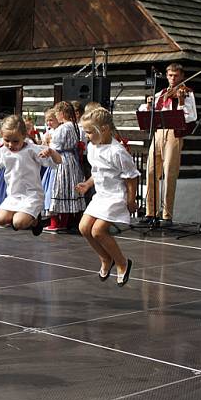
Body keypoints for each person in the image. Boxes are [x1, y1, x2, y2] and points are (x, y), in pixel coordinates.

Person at [76, 108, 136, 286]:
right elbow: (99, 172)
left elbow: (132, 177)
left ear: (104, 129)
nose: (86, 136)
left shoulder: (117, 151)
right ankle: (105, 258)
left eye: (89, 131)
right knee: (84, 228)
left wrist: (131, 200)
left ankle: (122, 262)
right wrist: (87, 184)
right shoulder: (93, 147)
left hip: (115, 196)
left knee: (98, 231)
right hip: (101, 195)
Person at [0, 115, 62, 235]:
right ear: (1, 136)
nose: (10, 145)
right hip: (14, 194)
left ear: (24, 136)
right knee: (0, 220)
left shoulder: (32, 150)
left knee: (18, 223)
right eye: (7, 140)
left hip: (32, 195)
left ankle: (35, 220)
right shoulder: (1, 151)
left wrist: (51, 152)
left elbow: (58, 161)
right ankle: (21, 215)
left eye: (15, 141)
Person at [138, 63, 197, 227]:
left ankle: (167, 215)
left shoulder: (187, 94)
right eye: (170, 75)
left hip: (173, 134)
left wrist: (181, 101)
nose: (173, 79)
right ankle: (151, 212)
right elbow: (147, 114)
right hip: (158, 133)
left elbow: (191, 117)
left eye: (176, 76)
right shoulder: (161, 94)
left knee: (169, 173)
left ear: (182, 76)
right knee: (150, 171)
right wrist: (149, 105)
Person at [44, 101, 85, 232]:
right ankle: (66, 222)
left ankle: (58, 223)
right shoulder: (75, 126)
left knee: (59, 189)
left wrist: (49, 142)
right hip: (72, 160)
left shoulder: (63, 128)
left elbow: (55, 146)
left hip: (62, 159)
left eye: (57, 113)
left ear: (61, 113)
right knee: (68, 190)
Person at [40, 108, 60, 221]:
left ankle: (54, 217)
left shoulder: (58, 132)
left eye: (51, 120)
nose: (49, 123)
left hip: (56, 162)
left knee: (52, 187)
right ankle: (47, 213)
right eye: (47, 120)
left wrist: (49, 142)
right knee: (47, 187)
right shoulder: (49, 132)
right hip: (49, 163)